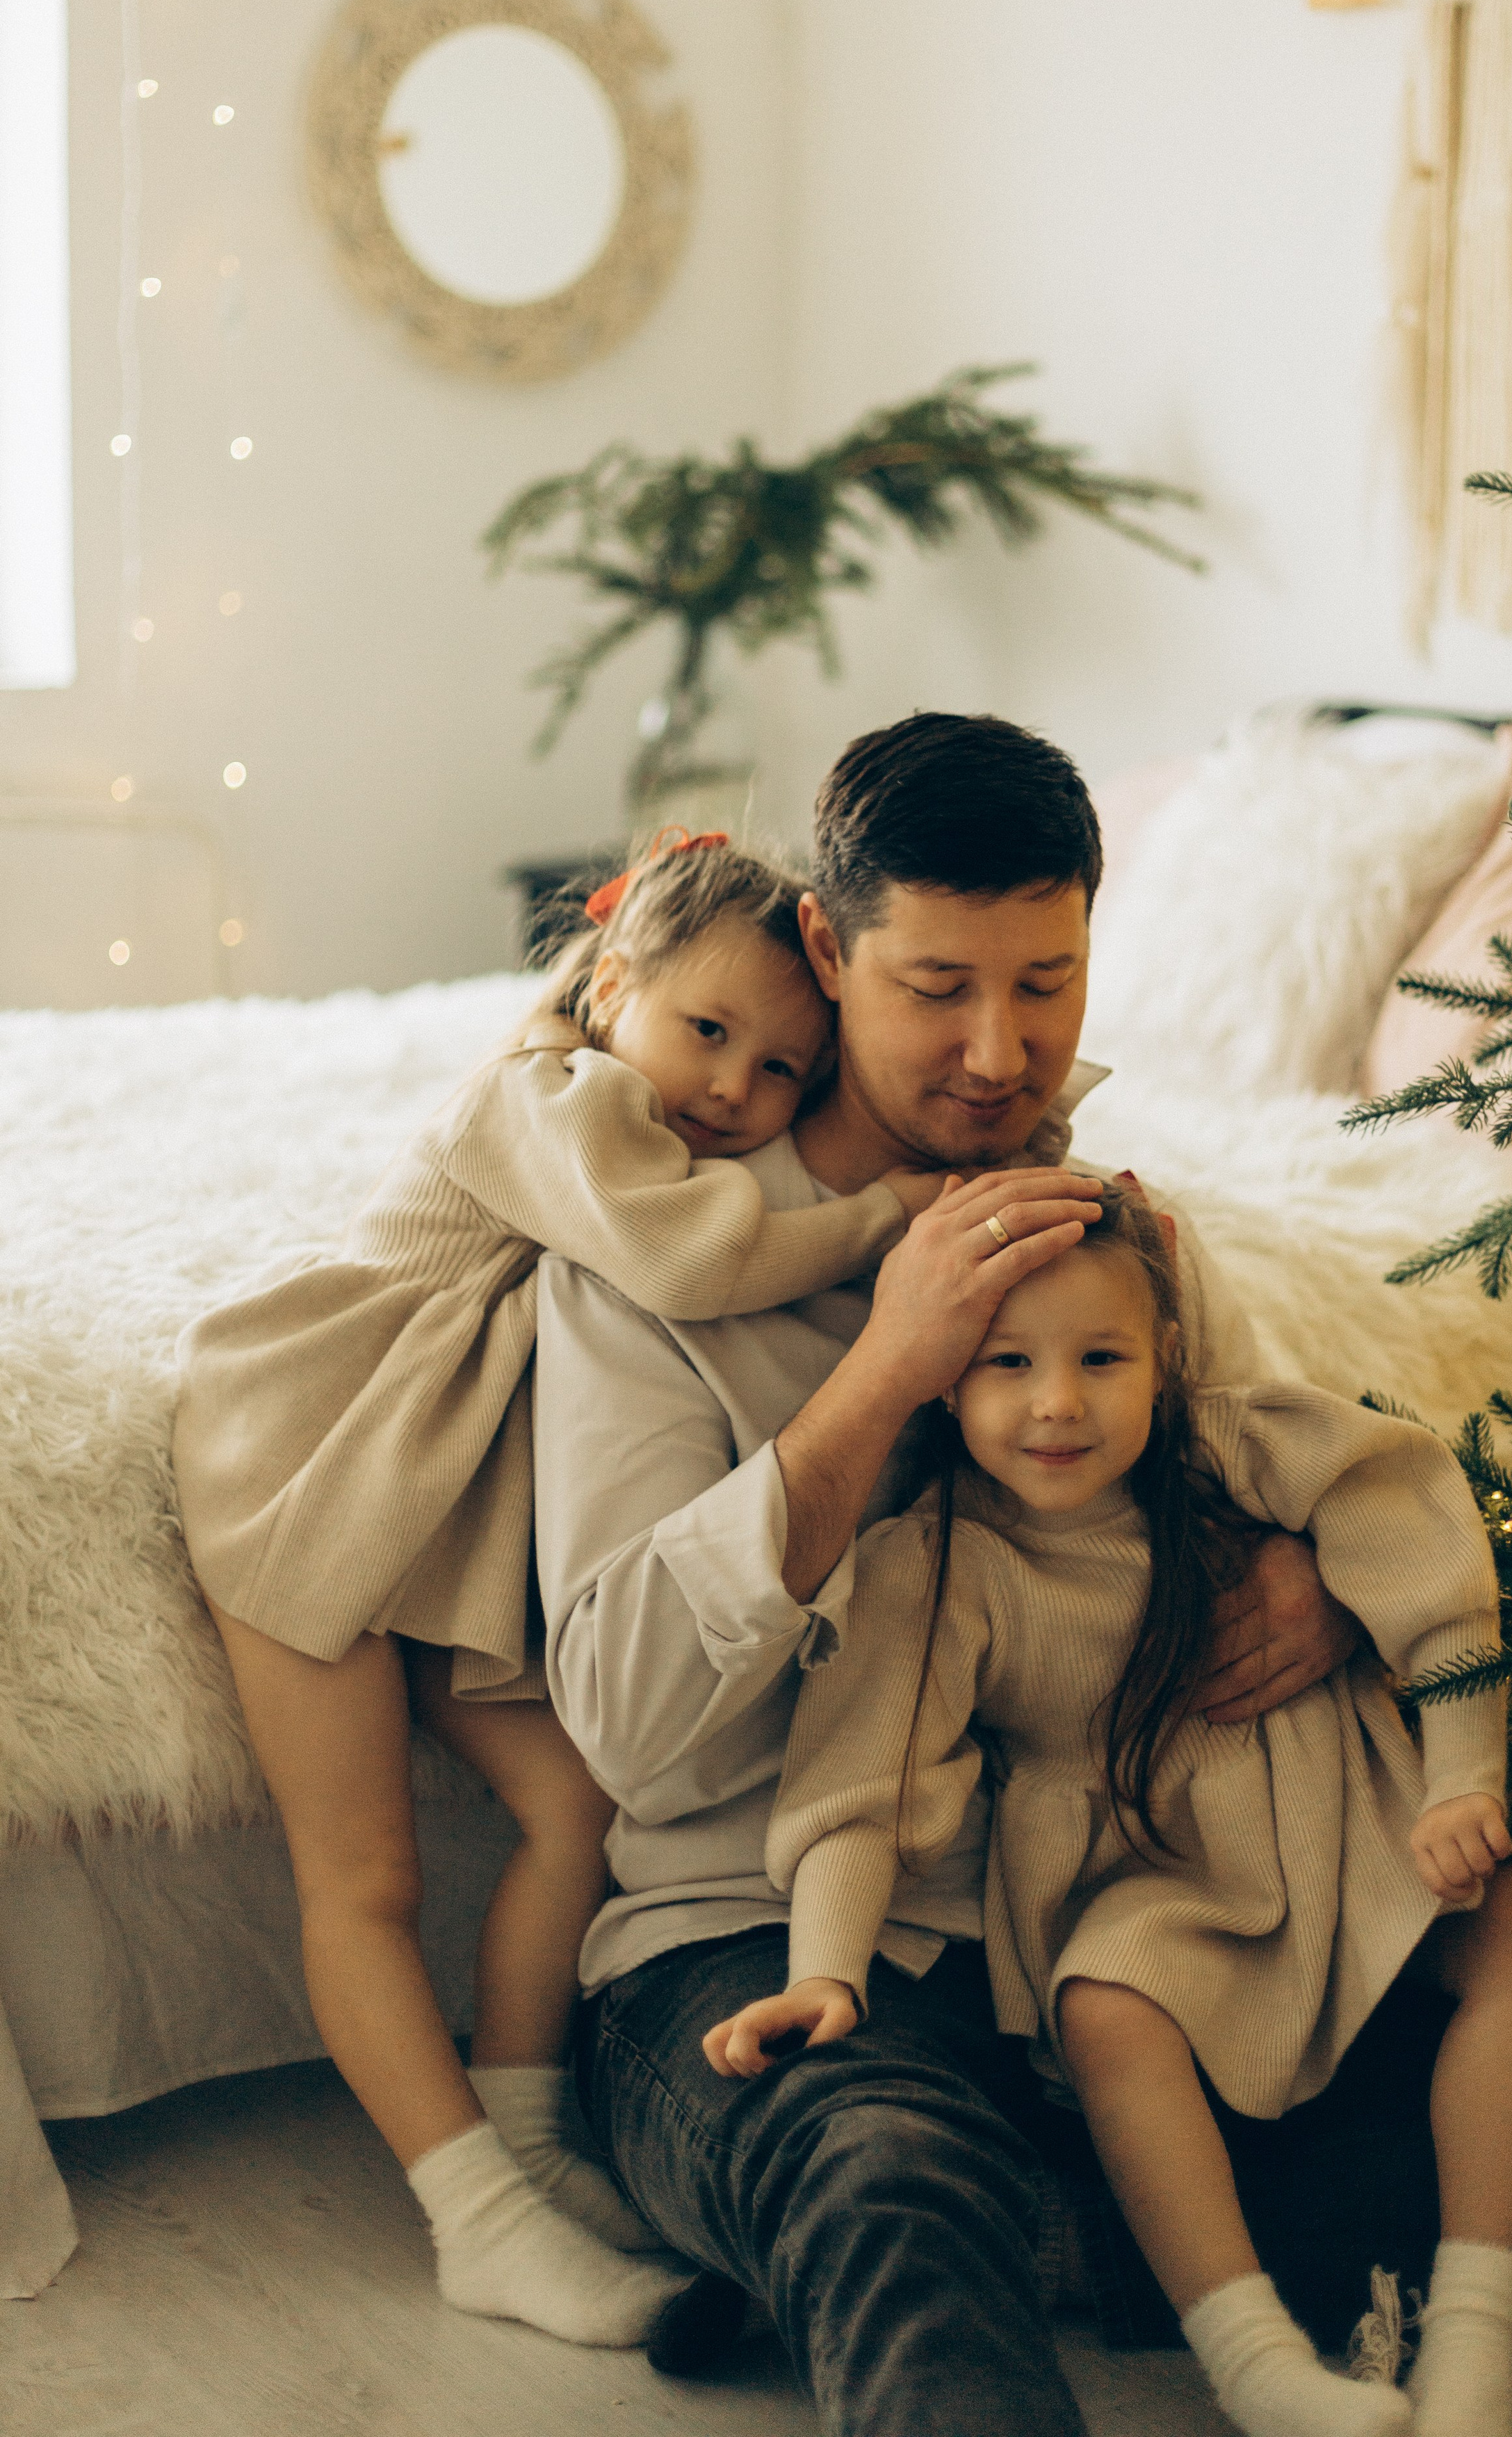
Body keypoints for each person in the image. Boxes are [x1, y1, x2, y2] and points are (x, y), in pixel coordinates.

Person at [535, 711, 1512, 2437]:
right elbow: (632, 1730)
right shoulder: (644, 1273)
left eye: (1048, 982)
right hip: (771, 1942)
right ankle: (998, 2233)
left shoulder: (1115, 1237)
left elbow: (1270, 1477)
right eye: (936, 986)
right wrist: (887, 1372)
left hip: (1123, 1935)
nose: (993, 1048)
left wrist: (1320, 1597)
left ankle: (1073, 2236)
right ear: (825, 948)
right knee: (880, 2168)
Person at [172, 835, 938, 2346]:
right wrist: (881, 1221)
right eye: (703, 1032)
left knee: (576, 1808)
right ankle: (474, 2216)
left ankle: (529, 2145)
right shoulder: (544, 1092)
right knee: (364, 1875)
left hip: (442, 1499)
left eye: (784, 1070)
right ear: (607, 986)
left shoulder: (648, 1108)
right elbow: (685, 1259)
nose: (732, 1091)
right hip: (313, 1457)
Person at [708, 1184, 1512, 2437]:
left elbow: (1415, 1533)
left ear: (1165, 1361)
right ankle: (1255, 2361)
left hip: (1335, 1813)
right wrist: (826, 1973)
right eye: (1007, 1364)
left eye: (1101, 1359)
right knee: (1104, 2009)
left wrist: (1462, 1779)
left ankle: (1473, 2347)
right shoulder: (943, 1560)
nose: (1056, 1402)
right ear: (944, 1381)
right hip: (1149, 1873)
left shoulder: (1229, 1450)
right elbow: (868, 1783)